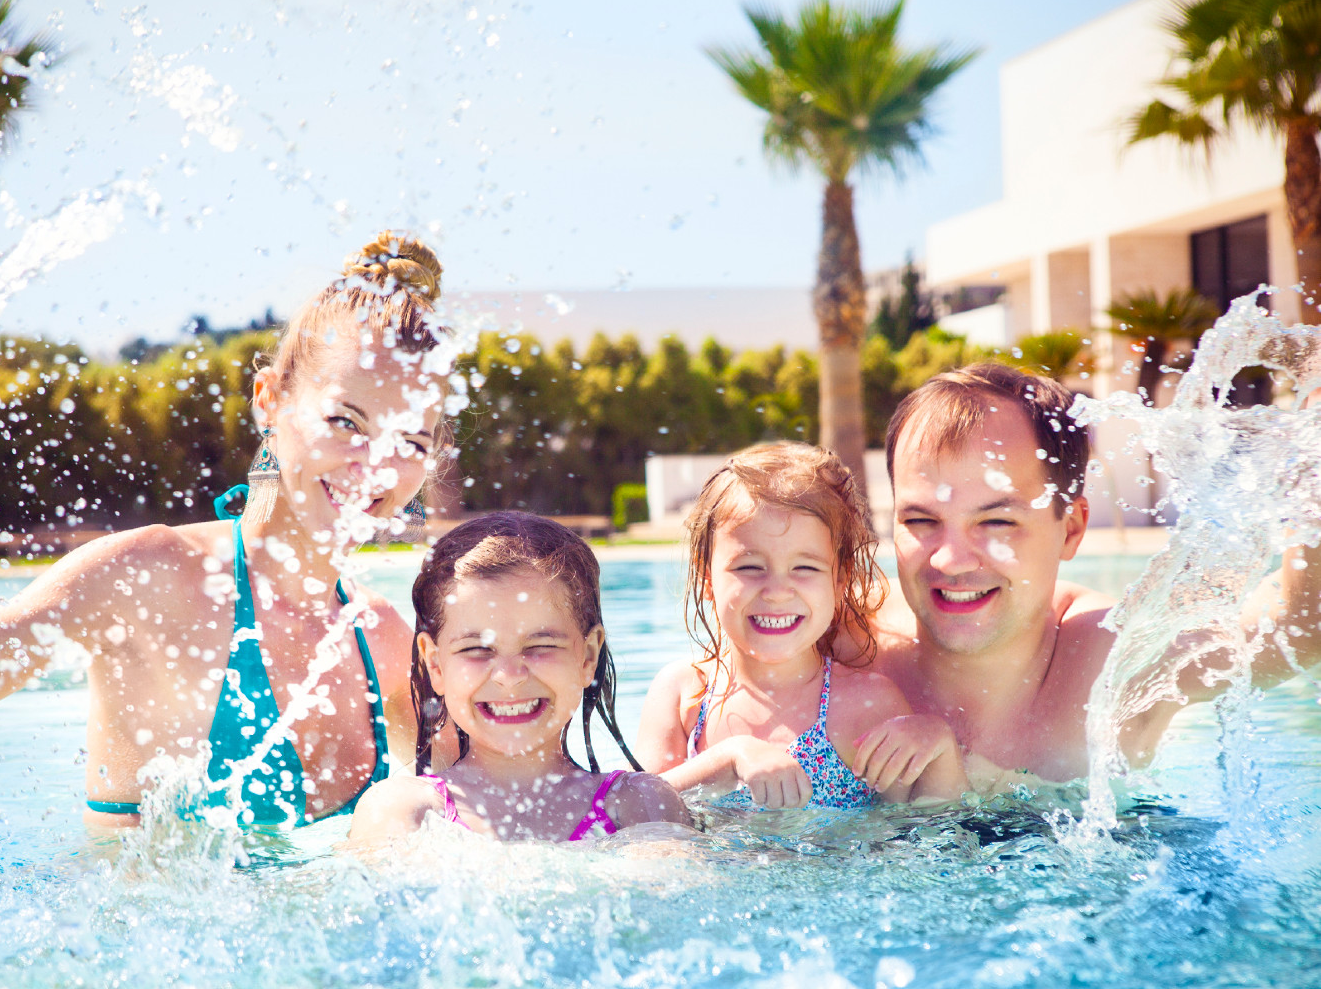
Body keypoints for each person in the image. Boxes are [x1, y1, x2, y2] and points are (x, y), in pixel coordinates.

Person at [0, 231, 452, 828]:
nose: (375, 467)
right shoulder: (146, 579)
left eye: (410, 441)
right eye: (346, 421)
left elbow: (482, 799)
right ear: (270, 401)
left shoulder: (385, 641)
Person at [862, 361, 1321, 790]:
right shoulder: (850, 655)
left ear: (1072, 529)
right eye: (920, 521)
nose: (950, 561)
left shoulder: (1113, 665)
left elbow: (1298, 627)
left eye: (996, 521)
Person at [634, 442, 968, 810]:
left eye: (805, 568)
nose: (777, 592)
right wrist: (728, 758)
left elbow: (929, 830)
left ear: (840, 580)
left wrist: (940, 748)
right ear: (707, 578)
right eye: (749, 567)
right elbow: (634, 808)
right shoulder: (686, 695)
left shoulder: (864, 703)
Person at [347, 512, 689, 841]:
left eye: (540, 645)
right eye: (477, 650)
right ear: (435, 665)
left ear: (588, 656)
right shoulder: (404, 811)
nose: (509, 676)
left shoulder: (637, 804)